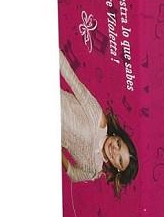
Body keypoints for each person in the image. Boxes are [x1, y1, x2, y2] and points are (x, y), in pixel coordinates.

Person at [59, 49, 138, 196]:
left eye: (120, 160)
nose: (114, 150)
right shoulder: (98, 118)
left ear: (117, 168)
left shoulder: (94, 171)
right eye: (119, 144)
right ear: (117, 136)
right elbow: (70, 77)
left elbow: (73, 174)